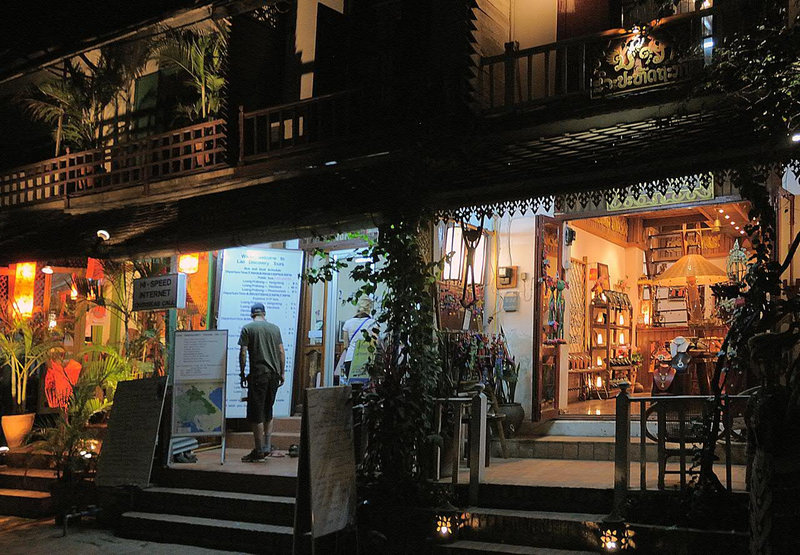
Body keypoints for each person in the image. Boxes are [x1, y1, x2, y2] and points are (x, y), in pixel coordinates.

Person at [239, 302, 285, 462]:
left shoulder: (248, 329)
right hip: (274, 375)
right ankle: (267, 445)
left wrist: (242, 373)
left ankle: (258, 451)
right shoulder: (275, 328)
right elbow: (281, 351)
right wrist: (282, 373)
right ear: (264, 313)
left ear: (252, 314)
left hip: (258, 375)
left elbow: (243, 352)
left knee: (256, 413)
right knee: (268, 410)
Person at [340, 297, 377, 384]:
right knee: (365, 387)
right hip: (366, 359)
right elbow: (375, 343)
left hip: (350, 358)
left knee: (352, 386)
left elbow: (345, 345)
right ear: (369, 309)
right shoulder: (373, 323)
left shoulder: (347, 323)